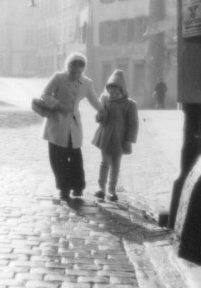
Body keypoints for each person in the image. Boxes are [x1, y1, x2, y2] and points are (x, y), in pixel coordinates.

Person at [41, 52, 103, 202]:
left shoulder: (86, 83)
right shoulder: (58, 78)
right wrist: (58, 105)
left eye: (79, 72)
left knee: (75, 156)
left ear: (83, 70)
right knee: (58, 158)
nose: (75, 74)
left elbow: (94, 99)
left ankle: (77, 186)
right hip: (56, 123)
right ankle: (63, 189)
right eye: (72, 71)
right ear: (67, 66)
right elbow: (45, 94)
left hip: (74, 124)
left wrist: (103, 110)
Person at [92, 69, 139, 202]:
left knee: (116, 165)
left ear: (123, 91)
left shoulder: (130, 105)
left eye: (117, 93)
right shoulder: (105, 101)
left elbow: (133, 124)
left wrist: (129, 140)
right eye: (111, 92)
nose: (114, 95)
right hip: (106, 137)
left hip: (120, 139)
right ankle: (101, 188)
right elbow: (99, 119)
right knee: (104, 162)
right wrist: (100, 115)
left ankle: (111, 190)